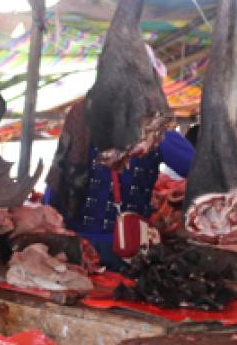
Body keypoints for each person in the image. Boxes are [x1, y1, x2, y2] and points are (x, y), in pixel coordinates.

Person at [44, 100, 194, 267]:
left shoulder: (79, 117)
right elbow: (198, 170)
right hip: (124, 246)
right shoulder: (155, 127)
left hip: (72, 246)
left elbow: (53, 189)